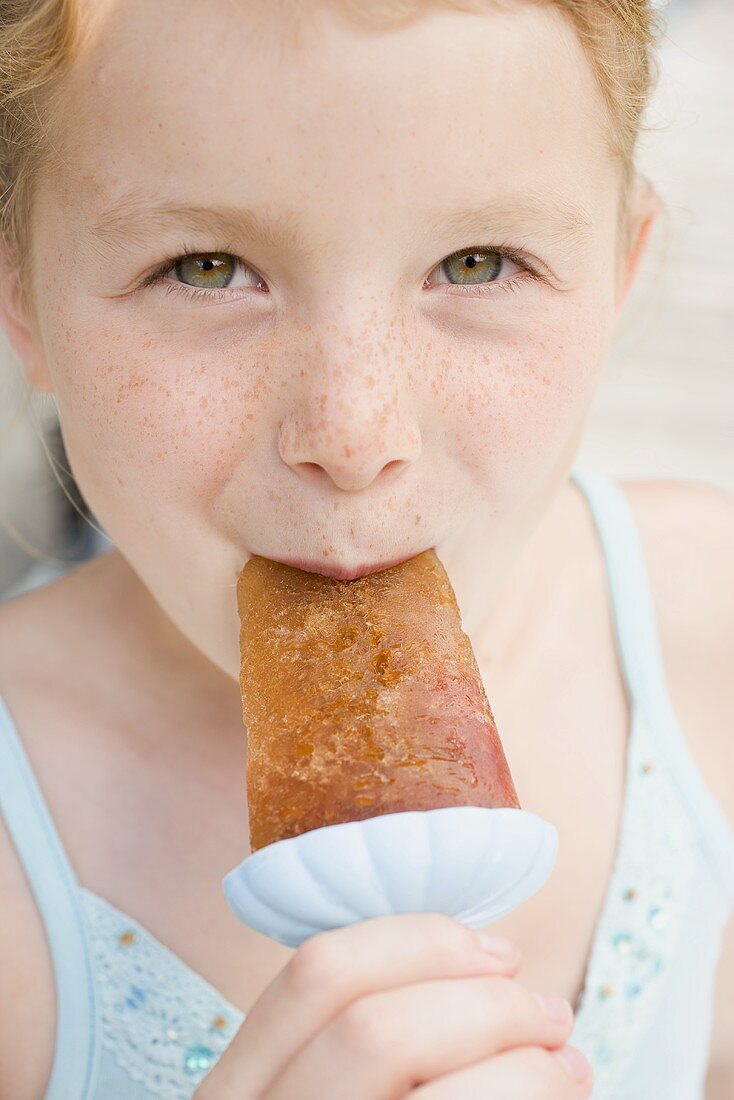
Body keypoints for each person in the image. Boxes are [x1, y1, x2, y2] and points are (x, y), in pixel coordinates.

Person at [0, 1, 731, 1097]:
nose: (352, 436)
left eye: (477, 261)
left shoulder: (700, 629)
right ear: (22, 299)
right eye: (204, 267)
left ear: (619, 270)